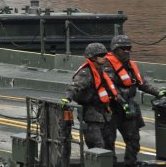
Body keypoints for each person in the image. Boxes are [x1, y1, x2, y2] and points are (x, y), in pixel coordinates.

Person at [105, 34, 164, 165]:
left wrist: (158, 92)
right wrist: (121, 101)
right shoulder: (107, 65)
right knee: (108, 142)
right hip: (112, 109)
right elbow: (109, 86)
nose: (127, 51)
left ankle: (130, 164)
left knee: (133, 141)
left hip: (128, 108)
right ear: (115, 49)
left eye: (129, 48)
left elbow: (141, 82)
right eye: (123, 48)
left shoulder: (130, 65)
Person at [66, 42, 122, 152]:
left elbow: (109, 89)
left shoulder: (100, 71)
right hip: (91, 116)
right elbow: (74, 86)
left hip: (104, 114)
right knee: (97, 147)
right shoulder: (86, 72)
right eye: (102, 55)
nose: (105, 57)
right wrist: (67, 98)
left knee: (109, 146)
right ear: (93, 57)